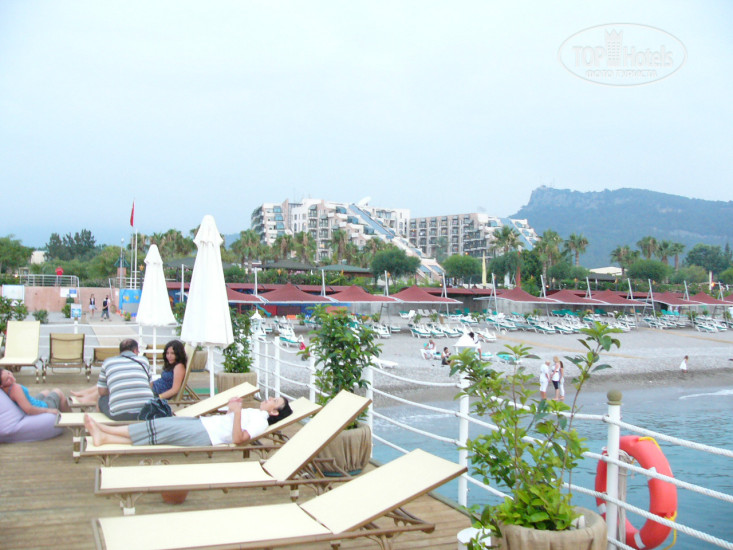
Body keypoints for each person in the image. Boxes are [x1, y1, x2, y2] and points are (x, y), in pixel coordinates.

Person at [84, 395, 292, 447]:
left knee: (160, 426)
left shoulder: (262, 422)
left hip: (206, 434)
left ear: (274, 412)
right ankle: (105, 437)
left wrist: (237, 413)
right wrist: (232, 408)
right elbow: (232, 421)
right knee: (159, 429)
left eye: (274, 401)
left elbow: (239, 439)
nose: (269, 399)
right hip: (205, 424)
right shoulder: (256, 412)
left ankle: (105, 429)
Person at [97, 339, 154, 420]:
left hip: (120, 415)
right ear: (135, 350)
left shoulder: (108, 362)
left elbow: (102, 392)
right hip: (147, 412)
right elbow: (150, 386)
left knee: (101, 399)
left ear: (120, 351)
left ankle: (99, 425)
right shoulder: (144, 360)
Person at [1, 368, 71, 415]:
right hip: (42, 407)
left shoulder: (5, 389)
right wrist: (49, 410)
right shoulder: (15, 388)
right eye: (7, 379)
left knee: (46, 392)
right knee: (58, 391)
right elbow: (28, 409)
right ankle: (70, 419)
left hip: (32, 401)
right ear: (1, 385)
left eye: (9, 373)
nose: (11, 377)